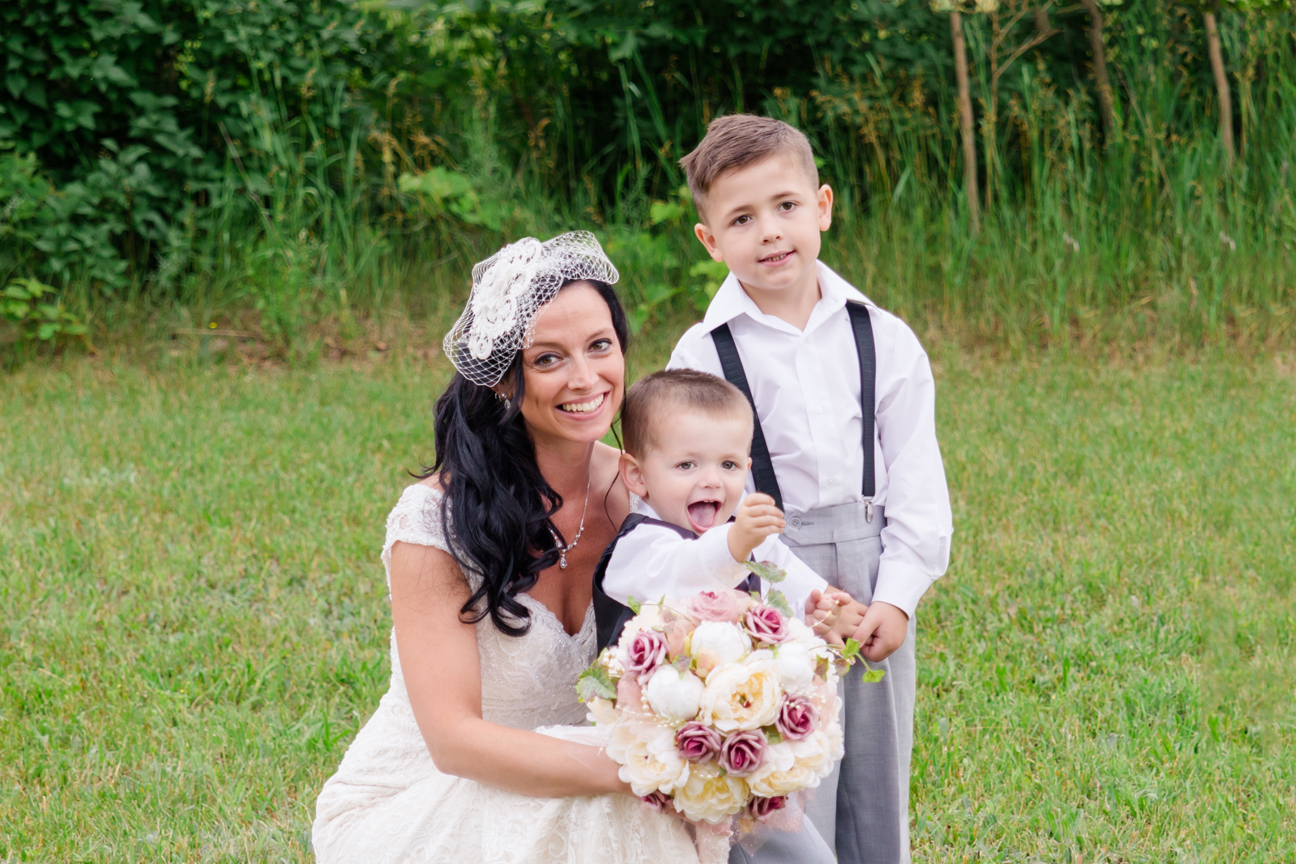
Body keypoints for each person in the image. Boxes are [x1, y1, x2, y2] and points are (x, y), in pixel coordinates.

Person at [312, 232, 698, 863]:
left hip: (591, 782)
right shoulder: (434, 523)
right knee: (623, 804)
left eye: (600, 346)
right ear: (501, 378)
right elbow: (455, 742)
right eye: (548, 359)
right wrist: (639, 769)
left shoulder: (645, 488)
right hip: (431, 795)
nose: (585, 378)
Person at [668, 115, 955, 864]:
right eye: (741, 219)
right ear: (709, 240)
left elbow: (917, 481)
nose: (769, 231)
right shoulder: (703, 355)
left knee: (877, 774)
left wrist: (896, 597)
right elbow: (708, 500)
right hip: (763, 578)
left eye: (786, 206)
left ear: (822, 206)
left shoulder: (883, 336)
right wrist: (807, 598)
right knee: (782, 775)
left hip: (872, 571)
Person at [595, 368, 867, 653]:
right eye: (686, 465)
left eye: (728, 465)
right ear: (637, 475)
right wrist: (734, 544)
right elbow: (681, 577)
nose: (712, 481)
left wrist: (803, 615)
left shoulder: (737, 536)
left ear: (746, 469)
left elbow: (758, 608)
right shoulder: (637, 548)